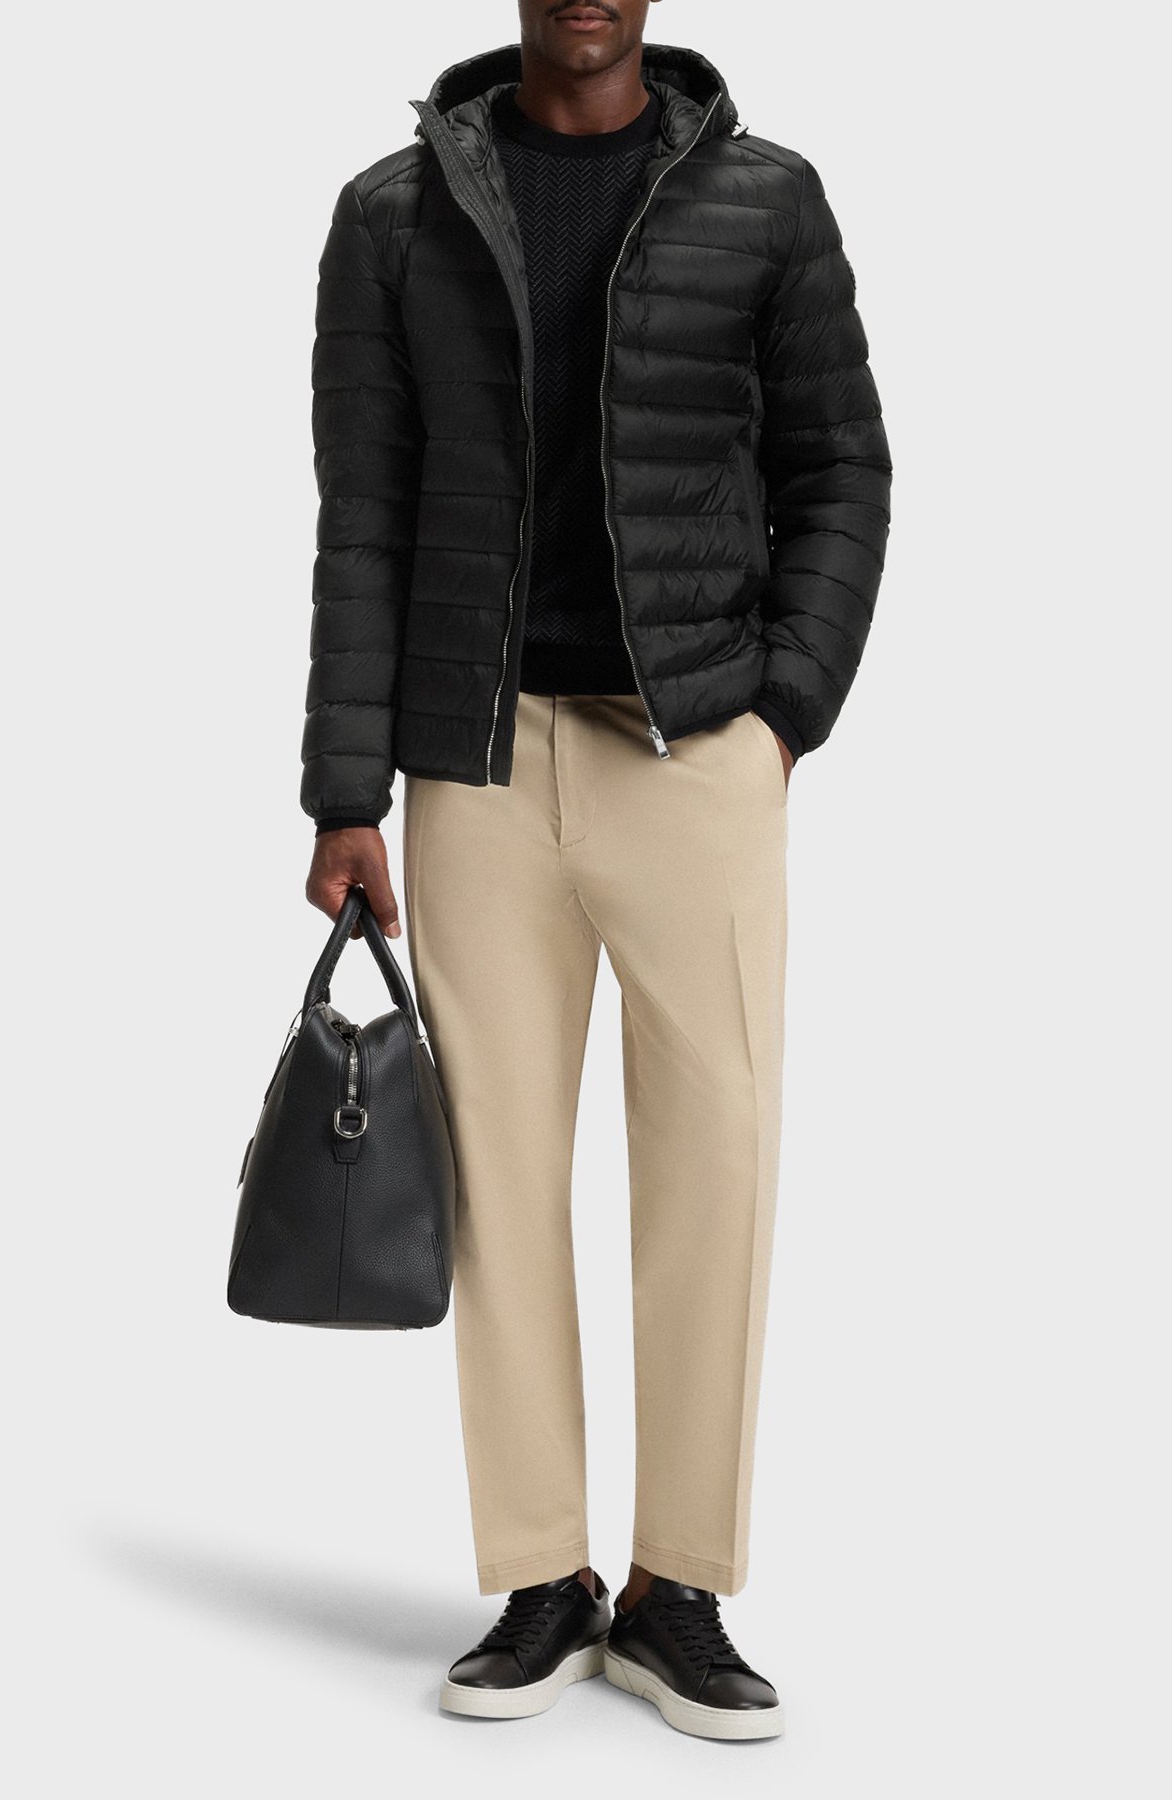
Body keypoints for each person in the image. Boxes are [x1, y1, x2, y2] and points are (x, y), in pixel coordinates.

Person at [303, 0, 891, 1743]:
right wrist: (346, 793)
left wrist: (780, 717)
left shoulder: (766, 199)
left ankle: (677, 1588)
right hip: (472, 766)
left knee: (717, 1164)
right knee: (495, 1179)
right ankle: (541, 1578)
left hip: (692, 747)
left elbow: (841, 472)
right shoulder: (391, 213)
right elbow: (364, 514)